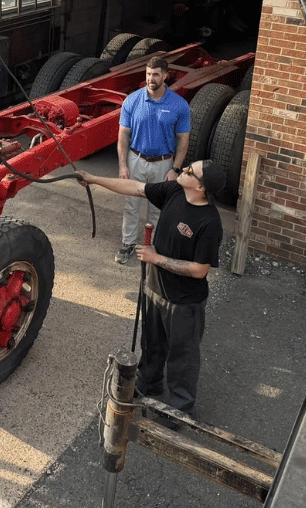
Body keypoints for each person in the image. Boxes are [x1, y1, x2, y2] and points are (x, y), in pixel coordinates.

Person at [78, 159, 226, 415]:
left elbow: (200, 270)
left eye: (191, 171)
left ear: (201, 188)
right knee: (152, 345)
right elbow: (135, 187)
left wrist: (155, 258)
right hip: (154, 289)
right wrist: (93, 178)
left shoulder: (209, 222)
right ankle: (148, 386)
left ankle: (178, 409)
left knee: (183, 359)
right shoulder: (174, 192)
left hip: (184, 304)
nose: (184, 169)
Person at [114, 55, 191, 264]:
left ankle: (153, 247)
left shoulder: (179, 105)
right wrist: (123, 165)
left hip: (164, 163)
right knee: (131, 205)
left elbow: (183, 140)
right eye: (148, 74)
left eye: (155, 74)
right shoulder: (132, 100)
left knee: (157, 209)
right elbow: (123, 135)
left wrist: (175, 169)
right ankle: (128, 244)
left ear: (165, 76)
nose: (151, 78)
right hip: (135, 159)